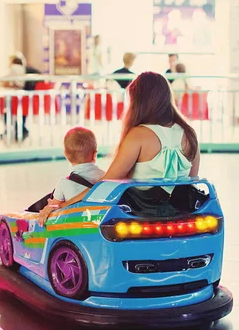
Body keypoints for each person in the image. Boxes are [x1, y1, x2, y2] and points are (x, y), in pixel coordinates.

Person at [38, 72, 200, 225]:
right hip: (182, 208)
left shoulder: (139, 135)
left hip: (140, 211)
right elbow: (191, 179)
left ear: (138, 101)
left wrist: (64, 205)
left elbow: (107, 183)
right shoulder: (189, 133)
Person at [50, 127, 106, 204]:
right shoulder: (105, 176)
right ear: (94, 154)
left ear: (65, 155)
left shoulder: (63, 183)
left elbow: (55, 209)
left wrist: (51, 204)